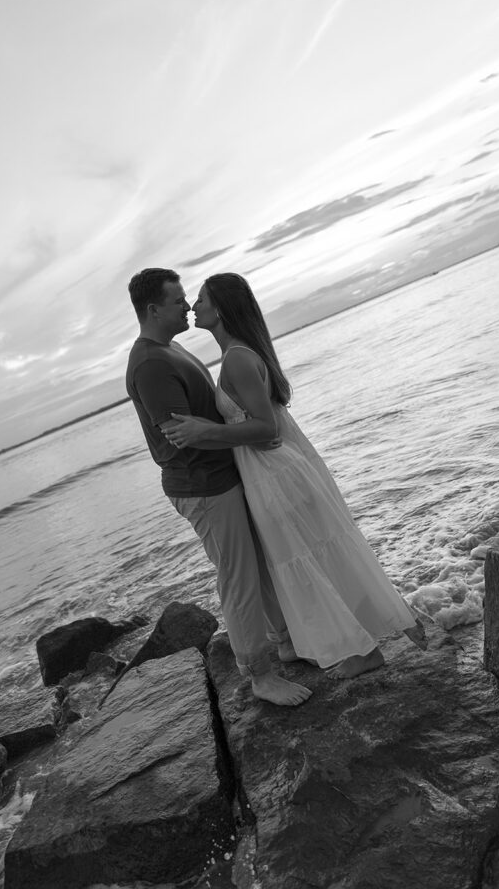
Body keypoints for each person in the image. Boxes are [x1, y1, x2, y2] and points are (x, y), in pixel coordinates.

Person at [163, 272, 427, 677]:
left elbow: (266, 427)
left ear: (221, 309)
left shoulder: (236, 357)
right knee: (315, 558)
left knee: (301, 561)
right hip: (269, 473)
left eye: (200, 300)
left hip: (273, 477)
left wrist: (205, 431)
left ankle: (362, 652)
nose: (194, 307)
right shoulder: (237, 353)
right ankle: (367, 638)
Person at [126, 267, 312, 705]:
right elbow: (183, 437)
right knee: (239, 577)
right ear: (153, 310)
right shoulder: (152, 362)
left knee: (260, 565)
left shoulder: (169, 350)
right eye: (178, 301)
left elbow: (203, 424)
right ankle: (260, 676)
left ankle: (284, 641)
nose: (188, 305)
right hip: (204, 487)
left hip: (222, 477)